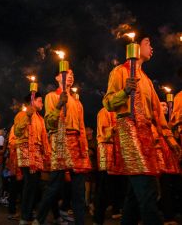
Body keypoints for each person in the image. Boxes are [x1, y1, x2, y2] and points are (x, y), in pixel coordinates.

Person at [103, 34, 181, 225]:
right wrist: (124, 92)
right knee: (147, 190)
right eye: (148, 43)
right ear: (135, 47)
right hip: (129, 132)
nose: (151, 47)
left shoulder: (146, 80)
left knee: (136, 193)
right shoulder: (119, 72)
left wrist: (171, 141)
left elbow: (157, 115)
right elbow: (108, 102)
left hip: (146, 136)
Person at [33, 69, 91, 225]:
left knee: (79, 191)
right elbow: (49, 122)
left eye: (72, 74)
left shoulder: (78, 102)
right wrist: (59, 105)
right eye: (66, 73)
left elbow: (82, 127)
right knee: (53, 186)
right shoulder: (51, 96)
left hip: (77, 145)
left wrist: (83, 147)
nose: (70, 76)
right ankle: (38, 220)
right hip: (60, 141)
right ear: (57, 77)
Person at [14, 92, 51, 225]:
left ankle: (28, 214)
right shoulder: (21, 115)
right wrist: (27, 116)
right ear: (32, 101)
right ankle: (25, 216)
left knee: (35, 186)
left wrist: (47, 154)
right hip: (26, 153)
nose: (42, 104)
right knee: (30, 185)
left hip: (38, 155)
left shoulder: (40, 119)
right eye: (40, 101)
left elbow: (43, 139)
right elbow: (17, 132)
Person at [93, 107, 126, 225]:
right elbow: (104, 132)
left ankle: (117, 209)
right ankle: (98, 218)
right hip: (107, 150)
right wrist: (119, 127)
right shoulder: (104, 111)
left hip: (118, 151)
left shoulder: (122, 111)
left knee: (119, 184)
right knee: (104, 185)